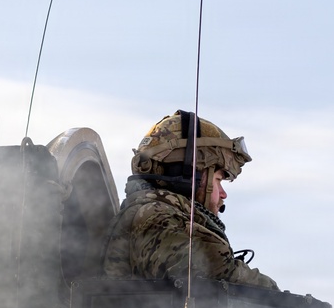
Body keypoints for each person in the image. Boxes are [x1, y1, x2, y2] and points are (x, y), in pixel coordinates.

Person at [103, 110, 279, 290]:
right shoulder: (154, 217)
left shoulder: (158, 213)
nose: (223, 194)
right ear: (190, 175)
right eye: (218, 180)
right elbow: (217, 271)